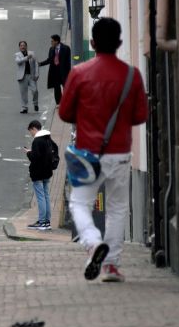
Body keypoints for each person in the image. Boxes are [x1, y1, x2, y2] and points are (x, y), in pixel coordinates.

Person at [58, 17, 148, 282]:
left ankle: (92, 241)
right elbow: (140, 116)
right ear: (119, 43)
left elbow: (64, 113)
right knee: (118, 207)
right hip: (119, 153)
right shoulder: (131, 75)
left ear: (93, 42)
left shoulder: (80, 74)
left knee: (79, 202)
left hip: (88, 153)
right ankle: (110, 265)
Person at [24, 120, 58, 231]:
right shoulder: (48, 138)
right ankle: (47, 221)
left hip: (38, 173)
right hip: (47, 172)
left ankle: (42, 222)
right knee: (46, 196)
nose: (31, 134)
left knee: (40, 197)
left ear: (34, 128)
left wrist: (29, 152)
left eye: (31, 131)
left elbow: (35, 158)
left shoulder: (37, 141)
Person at [38, 33, 72, 105]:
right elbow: (49, 60)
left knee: (66, 88)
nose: (51, 43)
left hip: (63, 72)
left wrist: (69, 73)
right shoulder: (51, 49)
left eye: (52, 41)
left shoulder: (66, 48)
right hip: (54, 72)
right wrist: (40, 64)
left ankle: (67, 103)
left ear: (57, 41)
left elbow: (68, 62)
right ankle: (59, 103)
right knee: (57, 89)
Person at [15, 40, 40, 113]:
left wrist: (37, 74)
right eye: (21, 45)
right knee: (23, 93)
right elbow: (18, 62)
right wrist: (26, 58)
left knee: (35, 90)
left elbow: (36, 64)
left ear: (26, 46)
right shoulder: (17, 55)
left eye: (24, 45)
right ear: (19, 47)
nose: (22, 47)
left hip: (31, 75)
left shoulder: (32, 53)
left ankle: (35, 104)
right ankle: (24, 108)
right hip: (22, 76)